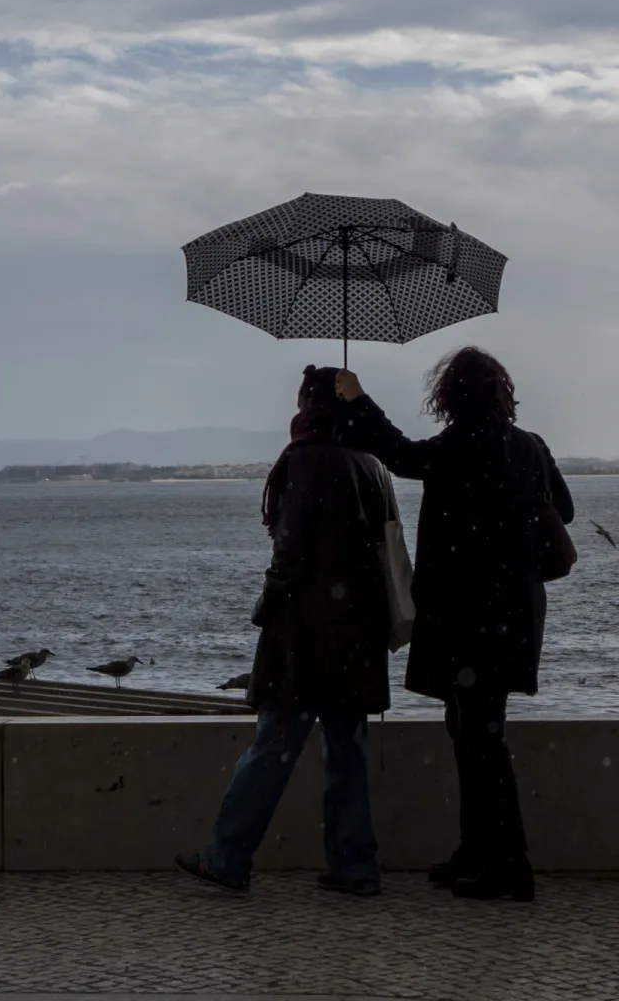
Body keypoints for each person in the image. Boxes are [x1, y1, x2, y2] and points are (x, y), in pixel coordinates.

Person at [333, 347, 573, 902]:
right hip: (514, 614)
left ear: (450, 395)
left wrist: (357, 398)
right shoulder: (530, 446)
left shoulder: (459, 444)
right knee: (475, 729)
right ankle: (477, 851)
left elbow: (398, 453)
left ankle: (509, 864)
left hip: (468, 615)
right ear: (501, 391)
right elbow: (565, 507)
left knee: (479, 738)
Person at [176, 365, 400, 897]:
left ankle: (227, 857)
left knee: (273, 746)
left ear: (306, 405)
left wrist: (265, 606)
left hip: (304, 638)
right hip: (358, 638)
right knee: (348, 750)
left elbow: (290, 554)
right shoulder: (372, 464)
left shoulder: (302, 461)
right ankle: (355, 866)